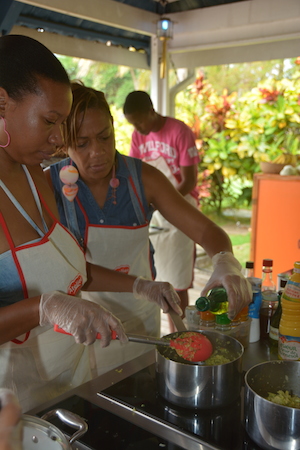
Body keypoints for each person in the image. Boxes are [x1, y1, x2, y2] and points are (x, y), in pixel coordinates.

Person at [0, 35, 182, 413]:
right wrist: (44, 308)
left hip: (72, 387)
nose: (57, 140)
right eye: (50, 122)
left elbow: (73, 271)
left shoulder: (36, 175)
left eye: (62, 124)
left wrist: (139, 286)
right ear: (2, 103)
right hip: (18, 410)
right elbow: (46, 303)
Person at [48, 82, 252, 377]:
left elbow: (207, 231)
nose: (98, 152)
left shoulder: (143, 179)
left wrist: (224, 260)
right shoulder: (50, 185)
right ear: (63, 144)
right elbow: (70, 271)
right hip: (81, 324)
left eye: (105, 137)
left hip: (139, 318)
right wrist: (140, 284)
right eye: (82, 143)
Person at [123, 90, 200, 328]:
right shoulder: (138, 136)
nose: (138, 127)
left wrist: (164, 201)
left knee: (178, 278)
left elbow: (189, 180)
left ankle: (183, 330)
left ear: (151, 111)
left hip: (181, 208)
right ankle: (172, 332)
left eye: (139, 120)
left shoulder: (179, 131)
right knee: (157, 277)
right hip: (154, 210)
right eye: (132, 123)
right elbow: (135, 173)